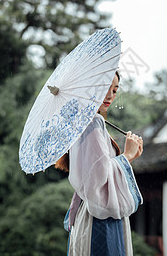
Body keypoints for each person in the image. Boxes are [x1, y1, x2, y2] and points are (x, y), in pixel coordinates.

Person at [56, 71, 143, 256]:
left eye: (115, 89)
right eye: (105, 87)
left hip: (90, 214)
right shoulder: (93, 123)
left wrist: (129, 157)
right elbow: (98, 178)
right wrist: (126, 156)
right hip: (100, 218)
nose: (111, 95)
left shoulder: (82, 123)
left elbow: (95, 171)